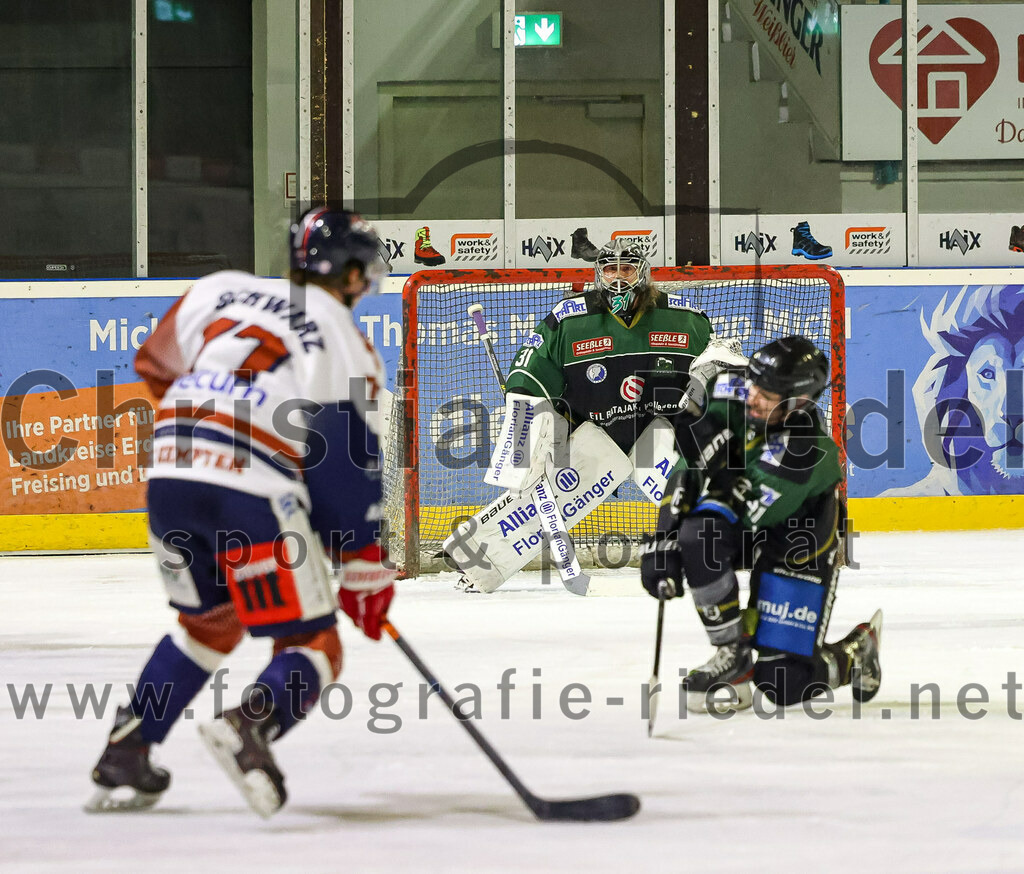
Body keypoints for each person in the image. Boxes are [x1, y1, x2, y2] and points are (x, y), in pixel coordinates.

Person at [86, 207, 396, 817]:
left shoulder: (221, 289)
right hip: (249, 491)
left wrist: (211, 426)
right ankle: (249, 725)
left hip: (171, 476)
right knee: (313, 642)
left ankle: (128, 747)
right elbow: (344, 455)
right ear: (352, 273)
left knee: (210, 624)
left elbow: (153, 364)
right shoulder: (343, 334)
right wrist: (363, 560)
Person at [446, 238, 747, 592]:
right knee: (545, 497)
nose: (618, 277)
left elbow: (718, 363)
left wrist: (716, 370)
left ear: (643, 273)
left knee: (690, 486)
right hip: (595, 431)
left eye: (627, 269)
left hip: (657, 431)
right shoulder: (571, 319)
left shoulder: (685, 318)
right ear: (598, 274)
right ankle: (477, 563)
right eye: (610, 270)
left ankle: (724, 550)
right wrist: (529, 429)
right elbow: (530, 371)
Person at [640, 335, 882, 713]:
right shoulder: (732, 389)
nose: (752, 397)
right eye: (753, 384)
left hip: (798, 543)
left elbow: (747, 508)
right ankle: (733, 657)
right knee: (698, 535)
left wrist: (719, 466)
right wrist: (666, 535)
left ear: (798, 402)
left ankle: (857, 651)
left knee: (782, 683)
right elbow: (690, 462)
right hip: (748, 518)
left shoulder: (809, 450)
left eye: (767, 396)